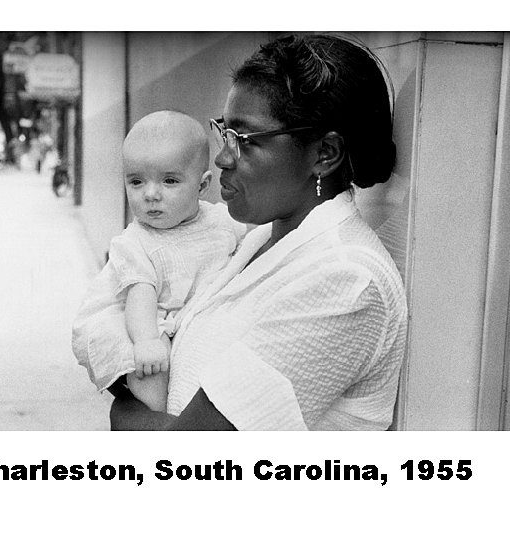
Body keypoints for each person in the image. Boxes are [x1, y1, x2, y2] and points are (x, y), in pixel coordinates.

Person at [74, 33, 407, 430]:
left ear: (324, 154)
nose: (221, 157)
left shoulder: (347, 281)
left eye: (245, 140)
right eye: (224, 132)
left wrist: (123, 410)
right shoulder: (255, 241)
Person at [72, 110, 246, 412]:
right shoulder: (135, 242)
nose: (150, 194)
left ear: (202, 186)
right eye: (136, 182)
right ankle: (158, 418)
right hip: (154, 320)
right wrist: (146, 341)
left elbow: (244, 252)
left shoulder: (221, 221)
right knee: (153, 368)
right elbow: (141, 295)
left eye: (169, 181)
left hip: (201, 314)